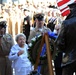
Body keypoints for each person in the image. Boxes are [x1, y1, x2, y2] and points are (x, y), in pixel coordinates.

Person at [55, 2, 76, 75]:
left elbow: (59, 43)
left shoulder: (66, 23)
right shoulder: (66, 23)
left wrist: (66, 50)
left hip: (69, 58)